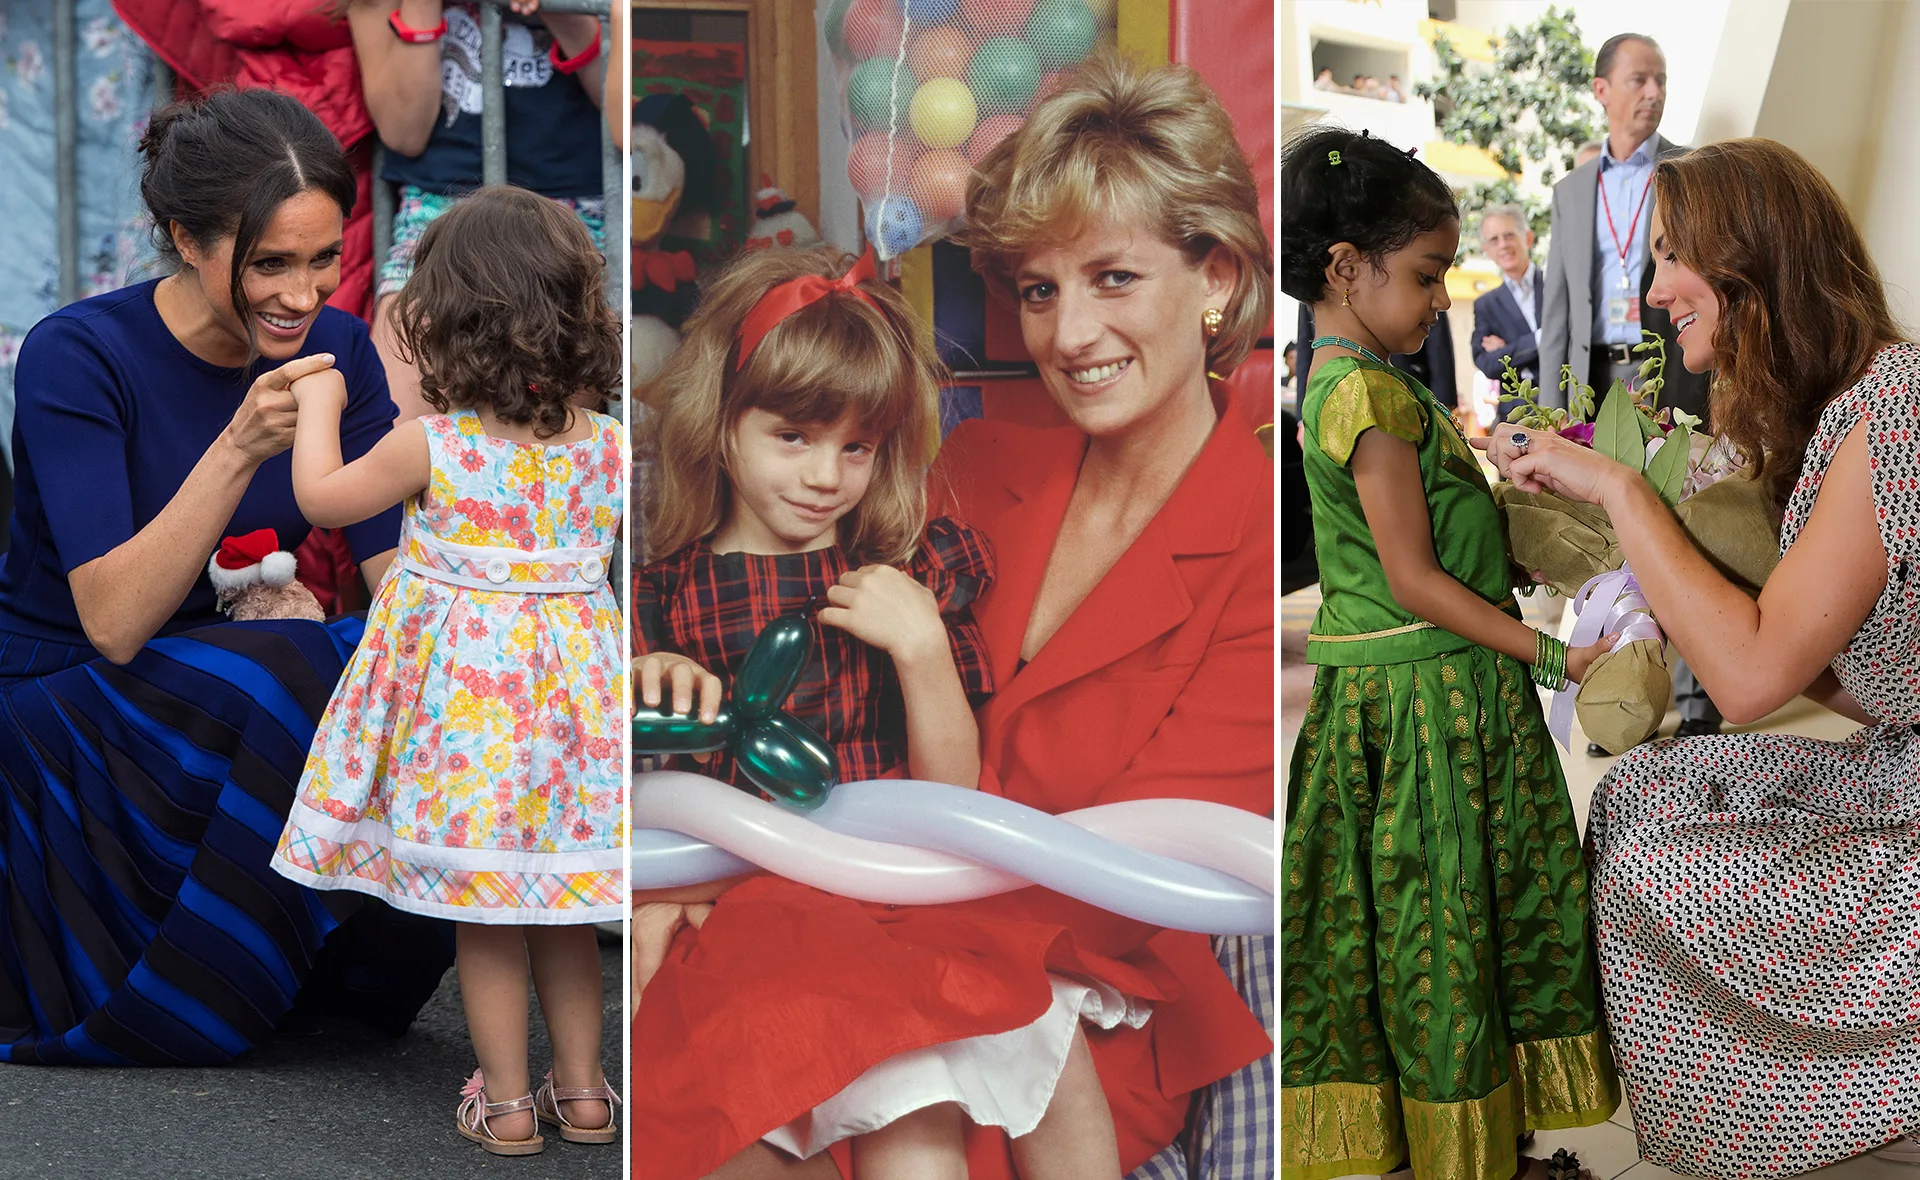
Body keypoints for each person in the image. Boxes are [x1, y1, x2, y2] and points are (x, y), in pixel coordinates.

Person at [633, 54, 1274, 1180]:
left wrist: (749, 884)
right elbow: (795, 680)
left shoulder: (1261, 532)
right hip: (826, 934)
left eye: (1114, 278)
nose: (1069, 334)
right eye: (1039, 289)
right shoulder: (969, 462)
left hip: (1060, 1010)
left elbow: (1124, 881)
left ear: (1217, 277)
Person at [1474, 136, 1920, 1180]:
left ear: (1752, 261)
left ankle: (1817, 1113)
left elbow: (1753, 681)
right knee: (1634, 797)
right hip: (1902, 760)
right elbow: (1845, 676)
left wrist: (1623, 496)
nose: (1660, 284)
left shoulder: (1893, 401)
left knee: (1660, 865)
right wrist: (1687, 588)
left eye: (1678, 254)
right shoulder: (1846, 410)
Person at [0, 87, 453, 1065]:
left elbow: (406, 588)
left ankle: (339, 977)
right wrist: (240, 444)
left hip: (230, 682)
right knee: (293, 659)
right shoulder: (78, 355)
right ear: (185, 239)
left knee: (421, 663)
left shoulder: (337, 351)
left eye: (325, 258)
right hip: (61, 699)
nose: (304, 293)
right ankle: (211, 985)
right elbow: (113, 622)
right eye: (269, 264)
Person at [1280, 124, 1621, 1180]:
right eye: (1426, 275)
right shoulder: (1368, 397)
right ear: (1347, 268)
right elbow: (1416, 582)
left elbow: (1423, 554)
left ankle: (1477, 1146)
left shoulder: (1358, 376)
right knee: (1447, 930)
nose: (1439, 300)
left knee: (1433, 935)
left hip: (1428, 693)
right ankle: (1470, 1155)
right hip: (1431, 714)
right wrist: (1560, 658)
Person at [269, 186, 624, 1154]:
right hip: (572, 723)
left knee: (487, 911)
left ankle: (507, 1103)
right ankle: (587, 1093)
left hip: (472, 720)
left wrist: (321, 401)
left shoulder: (435, 445)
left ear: (449, 324)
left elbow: (323, 500)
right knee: (562, 902)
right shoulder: (609, 451)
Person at [632, 244, 995, 794]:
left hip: (870, 867)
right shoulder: (658, 599)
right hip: (722, 871)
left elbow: (956, 792)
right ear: (722, 423)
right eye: (793, 437)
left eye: (857, 447)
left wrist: (923, 650)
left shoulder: (911, 578)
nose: (826, 477)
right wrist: (641, 687)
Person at [1537, 31, 1719, 749]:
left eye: (1662, 80)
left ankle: (1697, 694)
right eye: (1639, 79)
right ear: (1602, 90)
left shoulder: (1691, 170)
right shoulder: (1571, 191)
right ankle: (1621, 698)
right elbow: (1557, 307)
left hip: (1670, 365)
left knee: (1687, 519)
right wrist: (1554, 404)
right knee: (1611, 541)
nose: (1653, 93)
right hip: (1596, 378)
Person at [339, 0, 609, 422]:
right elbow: (404, 131)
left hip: (568, 218)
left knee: (555, 444)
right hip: (439, 211)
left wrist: (563, 12)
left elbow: (628, 120)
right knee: (396, 421)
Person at [1471, 203, 1544, 426]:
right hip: (1518, 415)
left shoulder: (1557, 286)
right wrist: (1540, 338)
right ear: (1487, 250)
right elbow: (1487, 363)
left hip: (1566, 405)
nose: (1503, 245)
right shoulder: (1486, 305)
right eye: (1494, 240)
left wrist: (1507, 349)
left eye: (1509, 235)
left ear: (1528, 238)